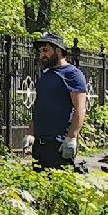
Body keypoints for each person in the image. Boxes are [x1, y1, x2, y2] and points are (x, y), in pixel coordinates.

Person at [31, 33, 89, 168]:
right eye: (40, 51)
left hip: (59, 143)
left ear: (58, 50)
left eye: (45, 50)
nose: (42, 55)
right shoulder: (45, 75)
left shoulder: (72, 74)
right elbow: (39, 106)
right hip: (40, 142)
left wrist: (71, 138)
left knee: (59, 179)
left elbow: (80, 108)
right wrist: (30, 133)